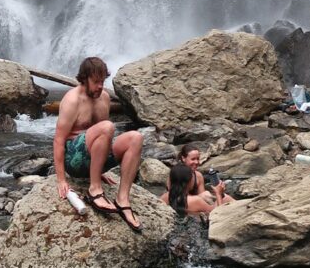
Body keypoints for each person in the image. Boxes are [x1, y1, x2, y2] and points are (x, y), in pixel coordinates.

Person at [53, 55, 144, 233]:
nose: (100, 86)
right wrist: (61, 179)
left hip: (92, 157)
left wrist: (100, 168)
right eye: (96, 81)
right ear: (84, 79)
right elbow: (58, 139)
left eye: (102, 81)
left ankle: (123, 200)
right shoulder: (72, 100)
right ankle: (94, 190)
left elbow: (102, 139)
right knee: (107, 126)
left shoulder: (104, 98)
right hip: (73, 158)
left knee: (136, 138)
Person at [163, 144, 235, 217]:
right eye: (193, 159)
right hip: (194, 209)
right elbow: (217, 214)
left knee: (207, 194)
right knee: (225, 198)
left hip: (183, 208)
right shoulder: (195, 201)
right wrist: (218, 194)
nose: (197, 162)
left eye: (198, 159)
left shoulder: (165, 196)